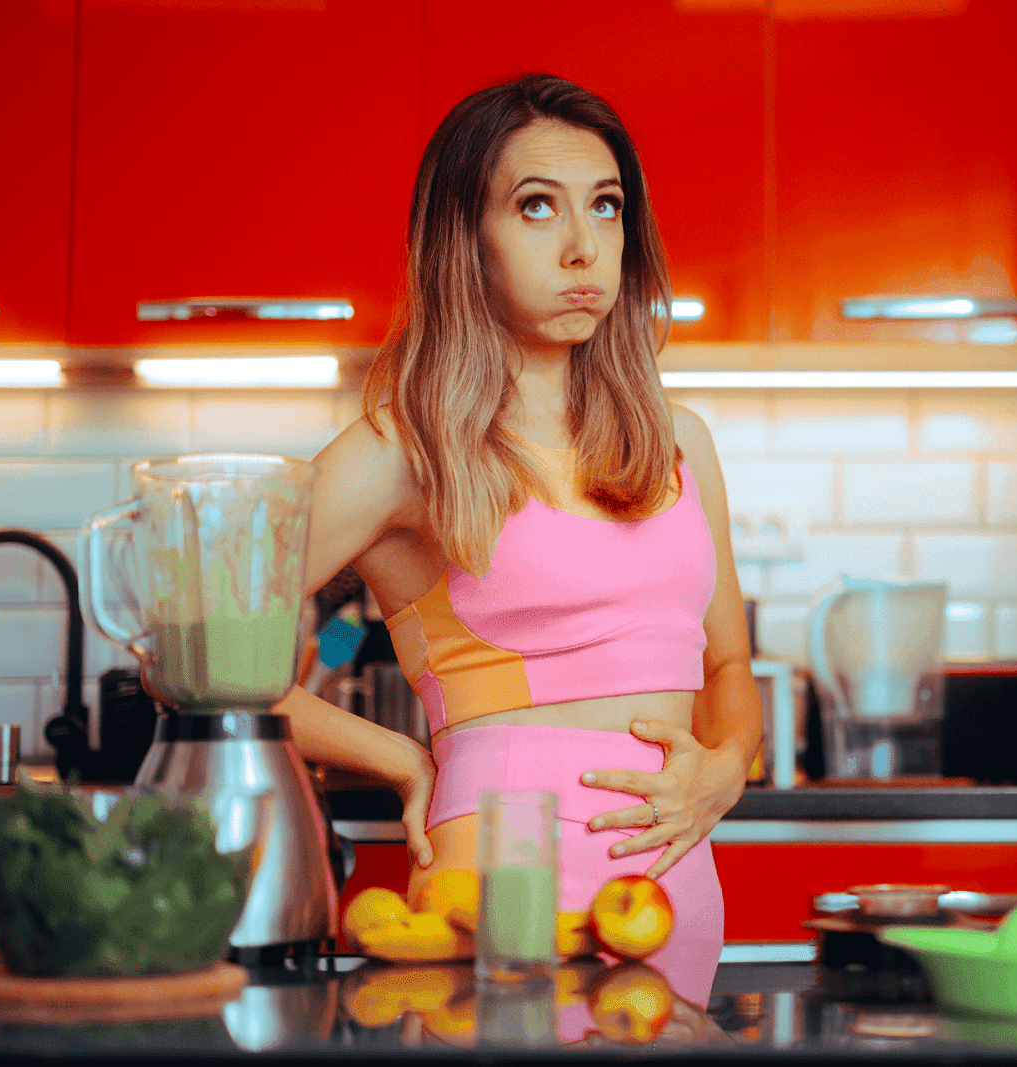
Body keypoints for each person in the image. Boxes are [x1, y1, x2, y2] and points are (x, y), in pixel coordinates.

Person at [277, 73, 760, 997]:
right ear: (468, 239)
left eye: (606, 207)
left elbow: (730, 669)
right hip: (497, 889)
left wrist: (724, 771)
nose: (584, 247)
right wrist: (401, 756)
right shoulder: (401, 449)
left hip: (677, 889)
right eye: (537, 207)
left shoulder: (678, 440)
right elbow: (191, 658)